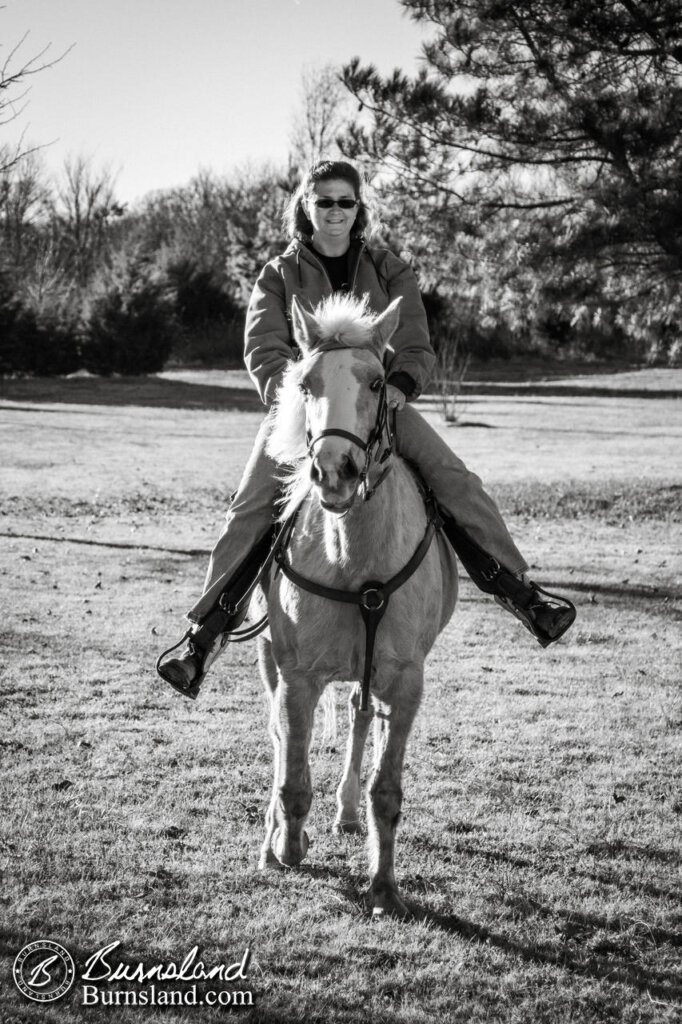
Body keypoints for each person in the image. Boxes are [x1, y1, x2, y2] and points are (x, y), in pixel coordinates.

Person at [157, 160, 575, 700]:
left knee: (455, 479)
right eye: (324, 201)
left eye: (345, 202)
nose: (335, 211)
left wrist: (400, 384)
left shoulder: (389, 268)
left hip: (380, 405)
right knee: (250, 506)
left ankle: (524, 595)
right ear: (305, 207)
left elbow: (417, 344)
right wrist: (303, 398)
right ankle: (204, 636)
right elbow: (264, 351)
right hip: (305, 410)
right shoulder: (277, 275)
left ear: (359, 210)